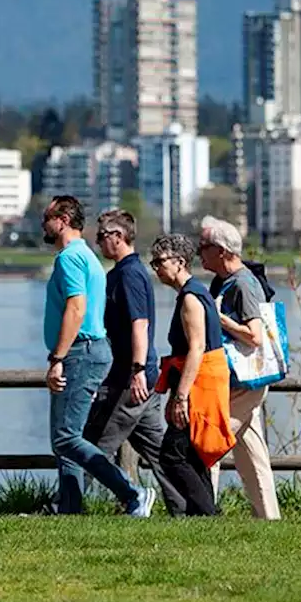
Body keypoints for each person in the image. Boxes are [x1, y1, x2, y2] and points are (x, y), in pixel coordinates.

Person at [41, 195, 155, 517]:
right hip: (88, 351)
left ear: (62, 220)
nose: (43, 225)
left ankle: (132, 493)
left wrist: (57, 358)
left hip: (80, 352)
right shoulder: (89, 257)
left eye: (47, 218)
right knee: (66, 437)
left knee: (66, 437)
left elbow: (76, 309)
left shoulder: (69, 259)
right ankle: (69, 509)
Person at [83, 209, 188, 516]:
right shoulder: (124, 272)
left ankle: (68, 504)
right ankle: (188, 508)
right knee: (159, 451)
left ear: (118, 237)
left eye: (101, 236)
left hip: (130, 380)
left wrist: (138, 371)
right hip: (142, 378)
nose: (98, 243)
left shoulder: (129, 274)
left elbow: (139, 324)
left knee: (93, 444)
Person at [199, 215, 282, 521]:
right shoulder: (226, 281)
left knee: (209, 440)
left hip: (246, 380)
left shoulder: (244, 284)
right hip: (240, 378)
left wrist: (222, 321)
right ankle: (268, 518)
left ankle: (202, 511)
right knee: (251, 454)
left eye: (204, 246)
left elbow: (255, 335)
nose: (199, 252)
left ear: (222, 250)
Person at [149, 233, 236, 516]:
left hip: (200, 384)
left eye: (160, 261)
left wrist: (181, 397)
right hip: (202, 379)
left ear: (180, 262)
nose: (157, 268)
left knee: (172, 455)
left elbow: (197, 348)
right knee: (192, 453)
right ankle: (205, 516)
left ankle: (208, 514)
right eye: (154, 263)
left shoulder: (190, 298)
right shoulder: (196, 292)